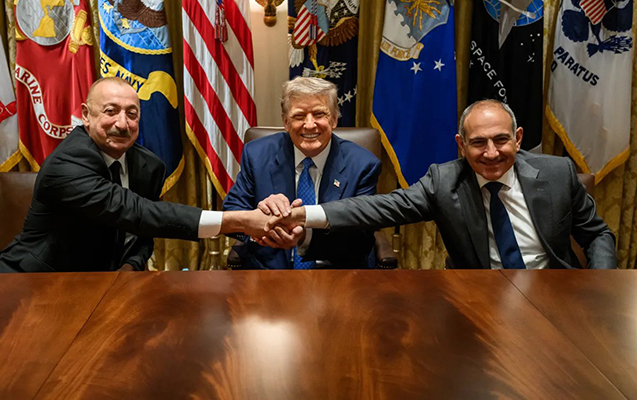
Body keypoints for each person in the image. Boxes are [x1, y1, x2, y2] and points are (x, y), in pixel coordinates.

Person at [271, 100, 617, 269]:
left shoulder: (557, 173)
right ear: (461, 145)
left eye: (501, 140)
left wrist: (599, 283)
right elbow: (378, 207)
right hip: (479, 298)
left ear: (518, 138)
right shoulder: (445, 180)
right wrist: (303, 215)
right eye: (478, 143)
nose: (491, 153)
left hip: (554, 292)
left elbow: (597, 234)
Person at [0, 77, 271, 273]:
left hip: (105, 286)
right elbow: (138, 212)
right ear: (86, 115)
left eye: (132, 114)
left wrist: (130, 267)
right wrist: (238, 221)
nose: (122, 123)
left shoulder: (148, 166)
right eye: (110, 111)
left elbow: (142, 233)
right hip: (35, 281)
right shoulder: (67, 162)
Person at [223, 77, 381, 269]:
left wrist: (306, 236)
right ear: (286, 122)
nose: (309, 124)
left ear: (334, 119)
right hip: (268, 271)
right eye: (299, 116)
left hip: (336, 271)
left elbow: (362, 238)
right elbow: (231, 212)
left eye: (319, 114)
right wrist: (263, 219)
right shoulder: (257, 154)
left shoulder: (363, 165)